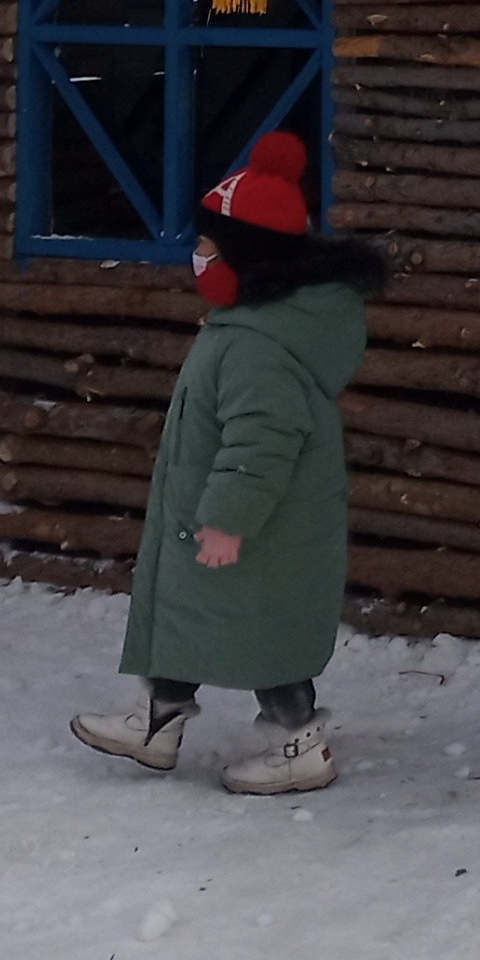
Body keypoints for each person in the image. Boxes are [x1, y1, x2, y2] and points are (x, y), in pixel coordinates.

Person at [70, 132, 384, 795]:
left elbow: (262, 441)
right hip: (230, 517)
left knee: (262, 632)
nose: (197, 258)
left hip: (260, 526)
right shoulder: (252, 325)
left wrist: (228, 519)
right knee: (196, 613)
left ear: (249, 258)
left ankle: (297, 743)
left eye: (208, 248)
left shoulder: (260, 346)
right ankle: (158, 722)